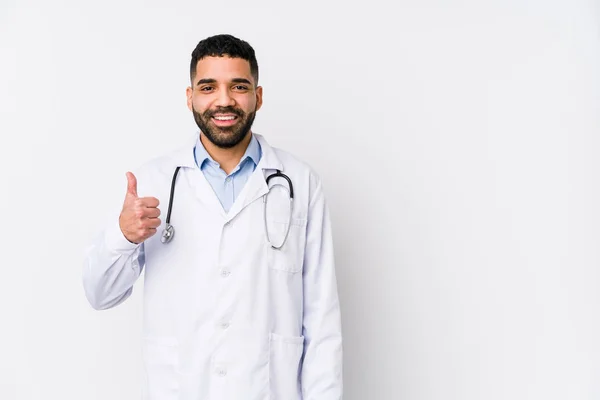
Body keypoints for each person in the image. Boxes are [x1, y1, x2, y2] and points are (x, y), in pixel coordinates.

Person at [82, 34, 343, 400]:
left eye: (239, 86)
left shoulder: (299, 182)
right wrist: (122, 237)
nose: (224, 100)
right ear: (190, 97)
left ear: (258, 96)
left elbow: (322, 320)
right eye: (208, 87)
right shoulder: (154, 180)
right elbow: (99, 294)